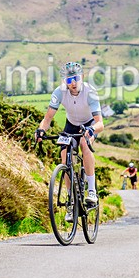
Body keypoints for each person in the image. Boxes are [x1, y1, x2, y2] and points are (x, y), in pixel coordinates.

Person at [36, 62, 104, 214]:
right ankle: (70, 200)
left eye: (76, 78)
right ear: (64, 82)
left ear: (82, 77)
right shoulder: (59, 92)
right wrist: (41, 130)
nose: (73, 83)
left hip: (89, 124)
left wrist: (91, 129)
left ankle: (91, 191)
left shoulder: (90, 92)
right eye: (68, 80)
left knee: (84, 144)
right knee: (64, 154)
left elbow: (100, 123)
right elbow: (47, 119)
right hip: (71, 124)